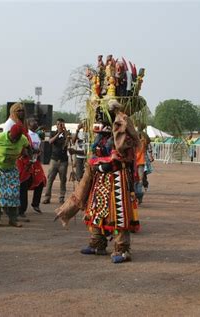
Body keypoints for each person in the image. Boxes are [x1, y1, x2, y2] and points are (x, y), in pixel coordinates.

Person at [55, 101, 141, 263]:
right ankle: (97, 243)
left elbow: (125, 157)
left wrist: (104, 164)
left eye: (103, 114)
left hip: (118, 179)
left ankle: (122, 249)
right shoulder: (101, 135)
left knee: (118, 214)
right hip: (100, 179)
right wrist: (98, 164)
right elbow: (95, 154)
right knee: (95, 210)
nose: (99, 118)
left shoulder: (123, 134)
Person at [0, 123, 30, 228]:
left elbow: (28, 148)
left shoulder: (23, 139)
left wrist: (28, 159)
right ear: (10, 134)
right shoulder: (0, 137)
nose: (14, 141)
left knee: (13, 194)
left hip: (11, 169)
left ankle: (13, 219)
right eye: (13, 138)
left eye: (17, 139)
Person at [18, 117, 46, 217]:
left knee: (41, 181)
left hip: (35, 161)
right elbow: (25, 149)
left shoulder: (37, 135)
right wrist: (33, 151)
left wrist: (38, 151)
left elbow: (37, 148)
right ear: (28, 124)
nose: (36, 123)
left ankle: (35, 204)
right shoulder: (27, 134)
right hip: (27, 162)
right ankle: (20, 207)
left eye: (36, 121)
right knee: (25, 183)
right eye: (34, 121)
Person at [43, 118, 69, 204]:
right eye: (58, 124)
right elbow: (50, 141)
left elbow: (68, 142)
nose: (60, 126)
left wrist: (64, 132)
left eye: (61, 124)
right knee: (50, 178)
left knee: (63, 179)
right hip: (54, 159)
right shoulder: (52, 133)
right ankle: (47, 197)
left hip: (63, 160)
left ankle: (61, 197)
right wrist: (58, 133)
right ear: (56, 125)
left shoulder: (66, 133)